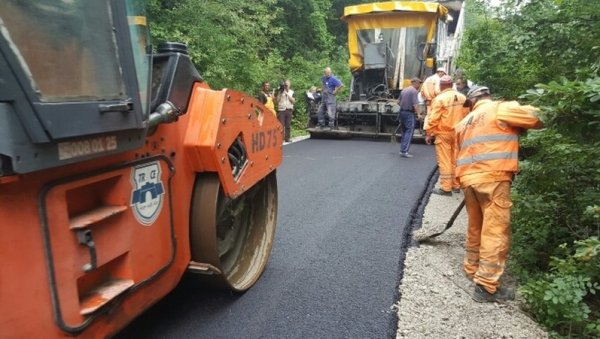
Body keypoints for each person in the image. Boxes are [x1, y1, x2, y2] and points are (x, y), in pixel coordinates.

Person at [454, 86, 543, 302]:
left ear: (473, 101)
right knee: (494, 230)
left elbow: (460, 152)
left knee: (475, 226)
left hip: (469, 181)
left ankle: (472, 268)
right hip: (493, 178)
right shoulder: (501, 109)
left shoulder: (463, 123)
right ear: (487, 96)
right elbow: (537, 118)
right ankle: (486, 286)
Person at [425, 75, 469, 195]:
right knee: (456, 159)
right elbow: (467, 116)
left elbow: (433, 119)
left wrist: (429, 133)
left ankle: (446, 188)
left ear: (441, 86)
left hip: (444, 133)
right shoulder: (462, 97)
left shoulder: (440, 99)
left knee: (445, 160)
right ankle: (456, 185)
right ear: (451, 85)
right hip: (459, 133)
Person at [397, 77, 422, 158]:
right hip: (409, 113)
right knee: (409, 131)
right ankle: (404, 151)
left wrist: (404, 106)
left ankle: (402, 150)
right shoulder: (414, 91)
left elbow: (398, 102)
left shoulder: (404, 90)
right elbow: (415, 105)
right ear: (415, 83)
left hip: (402, 112)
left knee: (404, 131)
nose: (420, 85)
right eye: (419, 83)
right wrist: (418, 114)